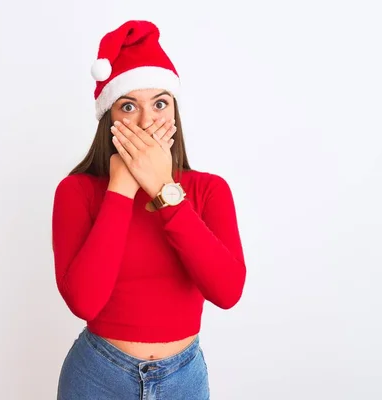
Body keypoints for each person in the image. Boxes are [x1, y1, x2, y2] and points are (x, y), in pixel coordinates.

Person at [51, 20, 247, 399]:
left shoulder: (209, 190)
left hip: (183, 380)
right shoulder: (77, 192)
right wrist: (121, 188)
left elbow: (227, 291)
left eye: (159, 103)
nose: (146, 121)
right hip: (96, 377)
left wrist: (163, 190)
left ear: (174, 111)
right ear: (110, 118)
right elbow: (84, 302)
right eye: (129, 106)